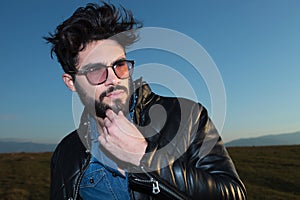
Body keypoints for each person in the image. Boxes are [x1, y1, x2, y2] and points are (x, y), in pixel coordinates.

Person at [44, 2, 246, 200]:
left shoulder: (187, 116)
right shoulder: (65, 153)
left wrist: (145, 157)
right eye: (96, 70)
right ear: (71, 82)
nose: (114, 78)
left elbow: (234, 194)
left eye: (119, 65)